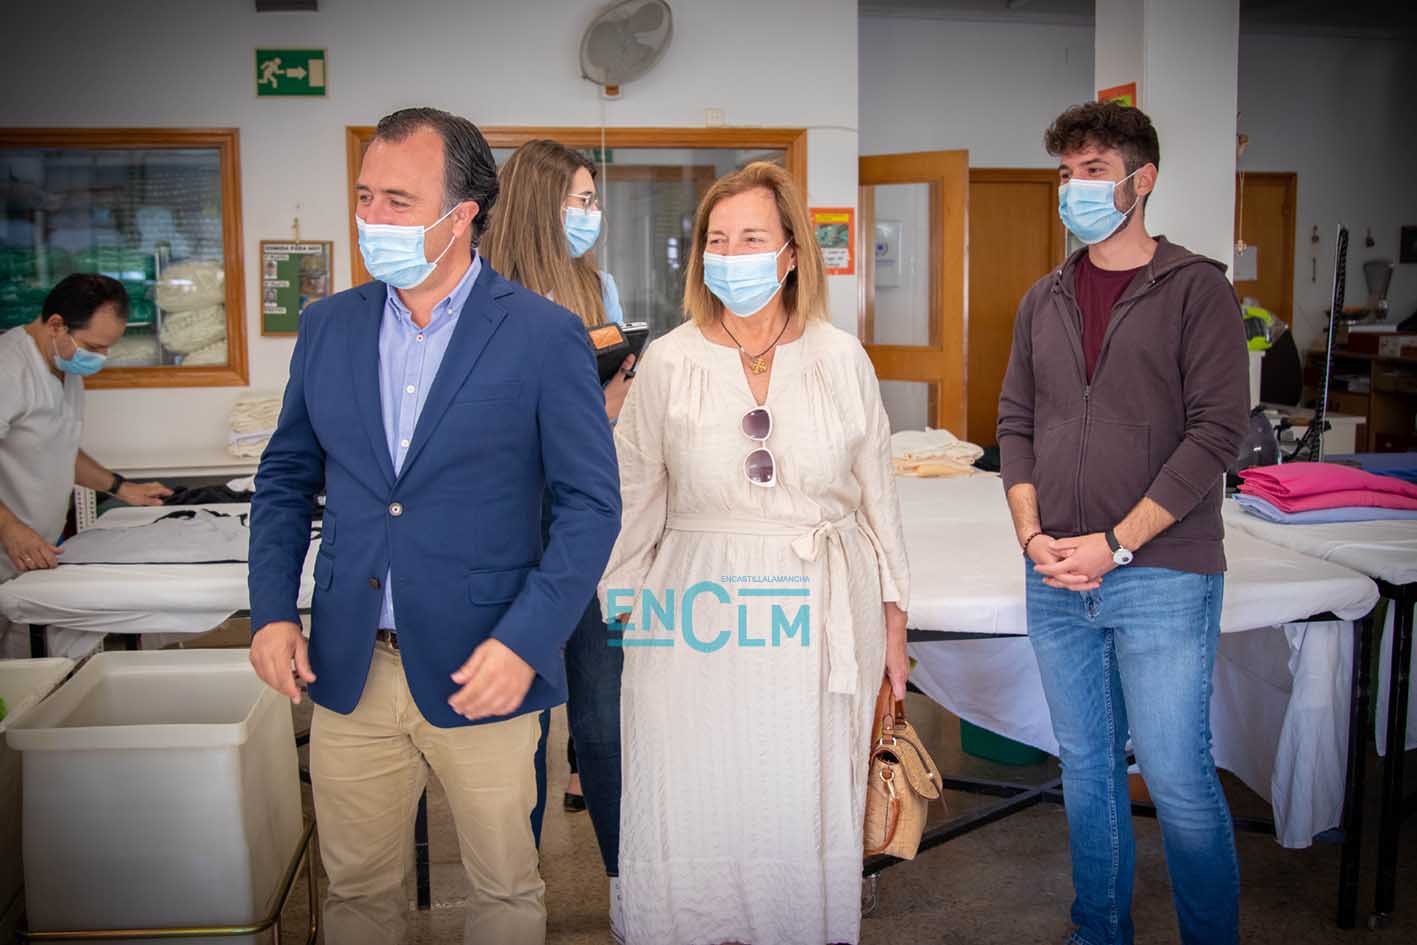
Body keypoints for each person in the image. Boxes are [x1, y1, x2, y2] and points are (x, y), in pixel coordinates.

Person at [247, 107, 621, 945]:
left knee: (504, 890)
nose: (372, 219)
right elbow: (284, 479)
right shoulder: (328, 326)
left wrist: (526, 640)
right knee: (355, 894)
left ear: (462, 215)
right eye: (364, 196)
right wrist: (271, 610)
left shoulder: (542, 335)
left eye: (397, 201)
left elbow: (590, 505)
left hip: (485, 660)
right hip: (351, 665)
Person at [599, 161, 911, 945]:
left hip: (821, 601)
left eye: (750, 238)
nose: (730, 253)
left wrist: (893, 617)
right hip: (693, 605)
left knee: (795, 782)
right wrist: (622, 606)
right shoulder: (669, 361)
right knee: (691, 782)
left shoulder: (841, 358)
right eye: (716, 239)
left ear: (791, 253)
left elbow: (879, 496)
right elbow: (634, 492)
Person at [996, 101, 1250, 945]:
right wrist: (1033, 537)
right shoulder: (1043, 298)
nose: (1073, 188)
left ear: (1142, 181)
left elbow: (1215, 433)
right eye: (1066, 173)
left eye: (1093, 171)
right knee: (1086, 769)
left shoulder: (1196, 290)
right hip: (1054, 571)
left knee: (1175, 776)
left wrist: (1115, 544)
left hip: (1162, 572)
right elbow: (1014, 424)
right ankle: (1098, 929)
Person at [481, 138, 633, 931]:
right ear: (541, 202)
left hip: (584, 525)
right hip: (506, 531)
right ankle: (517, 899)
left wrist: (610, 403)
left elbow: (602, 418)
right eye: (580, 199)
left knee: (603, 719)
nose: (590, 213)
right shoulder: (480, 288)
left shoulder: (594, 286)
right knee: (520, 729)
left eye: (592, 199)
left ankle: (628, 887)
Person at [0, 274, 171, 656]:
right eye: (94, 346)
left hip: (35, 547)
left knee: (25, 660)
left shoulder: (65, 368)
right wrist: (9, 528)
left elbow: (57, 446)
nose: (100, 357)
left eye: (108, 348)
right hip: (10, 540)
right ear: (56, 325)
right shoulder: (9, 369)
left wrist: (122, 488)